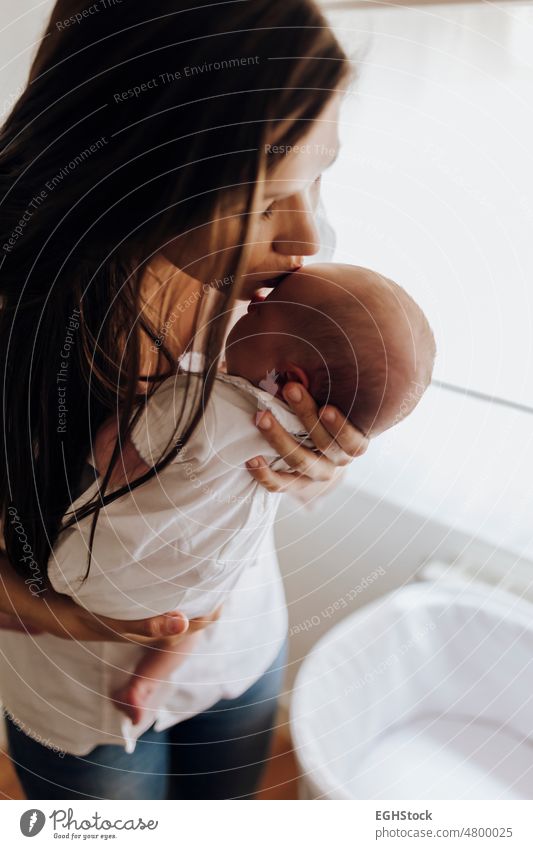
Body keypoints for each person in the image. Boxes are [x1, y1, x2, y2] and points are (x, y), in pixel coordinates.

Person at [0, 1, 370, 799]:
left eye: (319, 175)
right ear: (135, 163)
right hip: (79, 694)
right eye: (267, 195)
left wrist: (314, 465)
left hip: (237, 640)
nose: (310, 235)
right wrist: (82, 621)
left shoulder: (274, 275)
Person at [91, 263, 435, 726]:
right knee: (197, 613)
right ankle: (150, 679)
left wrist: (118, 428)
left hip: (168, 581)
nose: (256, 300)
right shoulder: (298, 414)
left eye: (266, 307)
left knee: (186, 612)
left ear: (290, 377)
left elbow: (118, 466)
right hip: (214, 583)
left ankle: (149, 676)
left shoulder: (201, 404)